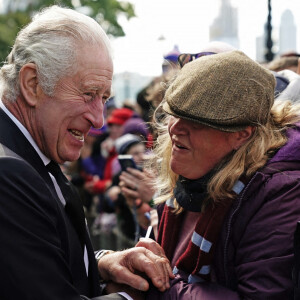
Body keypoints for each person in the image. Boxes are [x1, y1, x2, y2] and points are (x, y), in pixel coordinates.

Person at [0, 5, 173, 300]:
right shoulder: (9, 172)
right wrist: (142, 295)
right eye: (89, 94)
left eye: (104, 98)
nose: (99, 119)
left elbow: (40, 264)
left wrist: (103, 264)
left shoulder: (30, 152)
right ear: (33, 84)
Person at [145, 50, 300, 299]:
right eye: (174, 113)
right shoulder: (190, 177)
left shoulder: (281, 192)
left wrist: (154, 288)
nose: (176, 129)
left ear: (242, 135)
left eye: (196, 121)